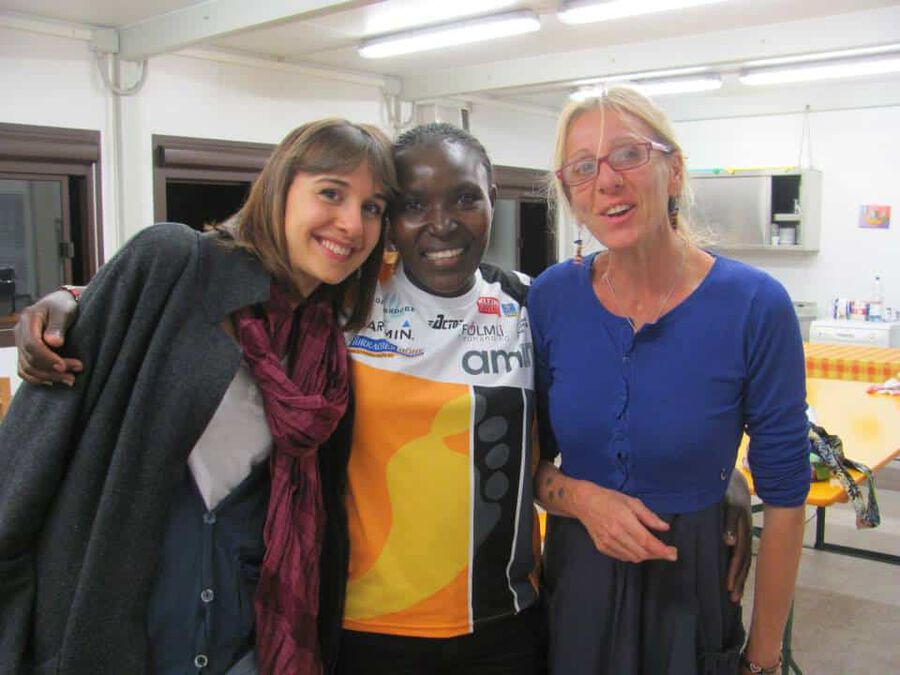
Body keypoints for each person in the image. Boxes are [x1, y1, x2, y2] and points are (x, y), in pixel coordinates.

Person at [13, 122, 753, 675]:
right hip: (358, 628)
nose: (441, 222)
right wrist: (74, 300)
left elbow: (609, 416)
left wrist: (718, 477)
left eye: (465, 198)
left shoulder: (533, 307)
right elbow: (215, 293)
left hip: (504, 624)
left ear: (492, 203)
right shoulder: (342, 306)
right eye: (409, 204)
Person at [0, 118, 397, 675]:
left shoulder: (326, 347)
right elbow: (24, 468)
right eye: (331, 193)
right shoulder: (173, 264)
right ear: (281, 188)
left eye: (372, 207)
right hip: (106, 639)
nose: (352, 223)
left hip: (246, 649)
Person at [530, 86, 809, 675]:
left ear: (674, 170)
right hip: (578, 583)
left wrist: (763, 659)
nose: (607, 181)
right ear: (571, 196)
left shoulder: (755, 305)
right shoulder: (551, 298)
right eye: (583, 168)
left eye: (628, 154)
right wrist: (584, 500)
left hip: (692, 586)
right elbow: (529, 464)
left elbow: (786, 496)